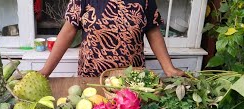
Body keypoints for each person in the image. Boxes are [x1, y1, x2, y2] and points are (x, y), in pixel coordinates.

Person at [39, 0, 184, 77]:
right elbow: (68, 31)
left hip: (131, 79)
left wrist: (168, 68)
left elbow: (152, 30)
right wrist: (45, 71)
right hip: (92, 79)